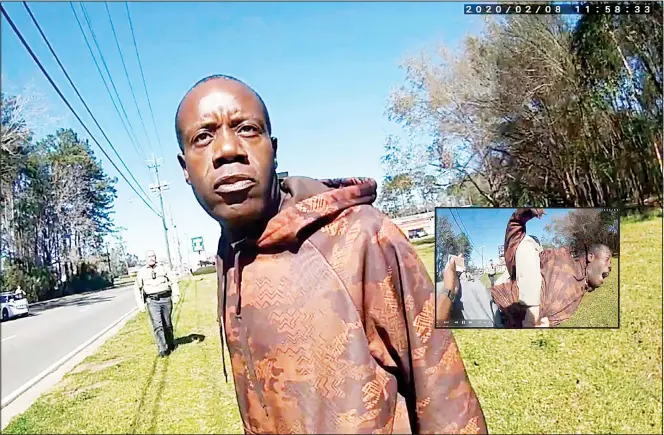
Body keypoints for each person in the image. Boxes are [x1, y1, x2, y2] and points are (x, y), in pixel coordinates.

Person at [175, 74, 486, 434]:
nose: (228, 149)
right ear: (185, 168)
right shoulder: (229, 253)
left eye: (246, 129)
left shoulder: (360, 237)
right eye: (203, 136)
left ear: (273, 149)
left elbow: (443, 391)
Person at [490, 208, 613, 328]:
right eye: (607, 259)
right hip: (495, 311)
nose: (610, 266)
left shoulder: (577, 294)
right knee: (531, 240)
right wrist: (521, 215)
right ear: (591, 257)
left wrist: (547, 324)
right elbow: (516, 247)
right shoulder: (560, 259)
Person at [133, 250, 180, 357]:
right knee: (158, 325)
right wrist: (140, 303)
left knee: (167, 324)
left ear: (156, 257)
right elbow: (137, 288)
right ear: (146, 258)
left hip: (166, 299)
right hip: (152, 301)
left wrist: (176, 295)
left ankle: (170, 342)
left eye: (153, 256)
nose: (151, 258)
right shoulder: (142, 272)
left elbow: (173, 280)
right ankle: (163, 349)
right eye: (149, 256)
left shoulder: (164, 268)